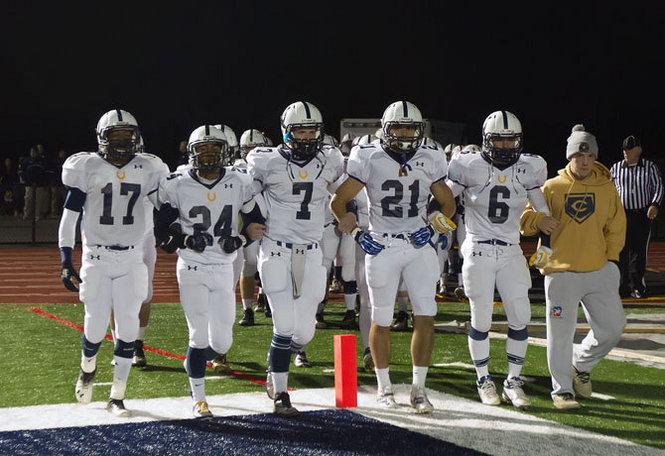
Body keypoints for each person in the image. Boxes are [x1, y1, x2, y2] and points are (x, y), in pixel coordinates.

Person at [332, 100, 456, 413]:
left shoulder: (430, 155)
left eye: (410, 127)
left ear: (419, 130)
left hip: (417, 245)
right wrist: (358, 234)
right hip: (382, 244)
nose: (404, 132)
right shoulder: (368, 155)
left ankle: (418, 389)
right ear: (386, 130)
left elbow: (448, 203)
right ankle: (384, 387)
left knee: (426, 314)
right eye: (398, 126)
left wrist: (432, 228)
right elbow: (339, 202)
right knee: (381, 317)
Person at [59, 109, 168, 417]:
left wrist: (172, 228)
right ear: (102, 139)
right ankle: (87, 367)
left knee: (128, 328)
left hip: (133, 256)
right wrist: (66, 259)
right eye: (115, 137)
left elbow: (165, 205)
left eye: (127, 137)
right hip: (97, 256)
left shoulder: (148, 167)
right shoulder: (87, 167)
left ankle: (117, 396)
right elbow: (69, 219)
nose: (121, 143)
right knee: (94, 328)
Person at [155, 124, 264, 417]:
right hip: (192, 265)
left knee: (222, 342)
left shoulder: (239, 180)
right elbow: (162, 234)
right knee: (199, 335)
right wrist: (186, 238)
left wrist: (240, 239)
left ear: (224, 152)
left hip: (223, 267)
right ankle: (199, 397)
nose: (208, 156)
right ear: (192, 153)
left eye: (214, 150)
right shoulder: (176, 183)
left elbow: (256, 223)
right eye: (202, 150)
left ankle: (194, 362)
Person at [446, 111, 551, 409]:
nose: (505, 146)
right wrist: (434, 215)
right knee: (481, 319)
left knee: (521, 317)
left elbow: (543, 214)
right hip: (478, 248)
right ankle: (483, 378)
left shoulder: (529, 168)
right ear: (486, 140)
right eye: (499, 139)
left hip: (510, 249)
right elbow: (443, 197)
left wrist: (548, 243)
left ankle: (512, 381)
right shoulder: (469, 166)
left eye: (510, 139)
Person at [247, 101, 344, 416]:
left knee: (305, 332)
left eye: (311, 130)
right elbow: (242, 196)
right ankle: (281, 394)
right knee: (285, 324)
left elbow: (345, 193)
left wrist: (349, 212)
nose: (305, 137)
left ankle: (276, 362)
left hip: (313, 252)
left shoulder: (330, 160)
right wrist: (248, 222)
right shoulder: (265, 161)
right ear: (286, 132)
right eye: (299, 130)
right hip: (276, 250)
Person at [521, 124, 627, 410]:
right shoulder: (552, 187)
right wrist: (538, 222)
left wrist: (612, 261)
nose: (584, 161)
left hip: (598, 270)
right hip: (561, 272)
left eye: (589, 156)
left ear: (595, 158)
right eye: (579, 156)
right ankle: (562, 389)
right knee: (560, 334)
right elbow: (525, 220)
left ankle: (580, 364)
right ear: (569, 157)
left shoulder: (606, 187)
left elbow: (616, 225)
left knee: (612, 328)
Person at [610, 135, 663, 298]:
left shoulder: (649, 166)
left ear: (638, 150)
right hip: (622, 215)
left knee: (639, 252)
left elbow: (658, 187)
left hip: (642, 214)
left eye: (630, 149)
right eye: (625, 149)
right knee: (621, 251)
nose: (626, 152)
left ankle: (638, 286)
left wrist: (654, 204)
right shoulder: (616, 168)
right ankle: (622, 286)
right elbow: (609, 190)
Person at [235, 129, 270, 326]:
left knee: (269, 264)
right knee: (248, 265)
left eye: (255, 148)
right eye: (247, 148)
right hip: (250, 223)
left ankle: (266, 298)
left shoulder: (271, 164)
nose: (251, 153)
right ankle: (247, 309)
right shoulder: (239, 169)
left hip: (273, 222)